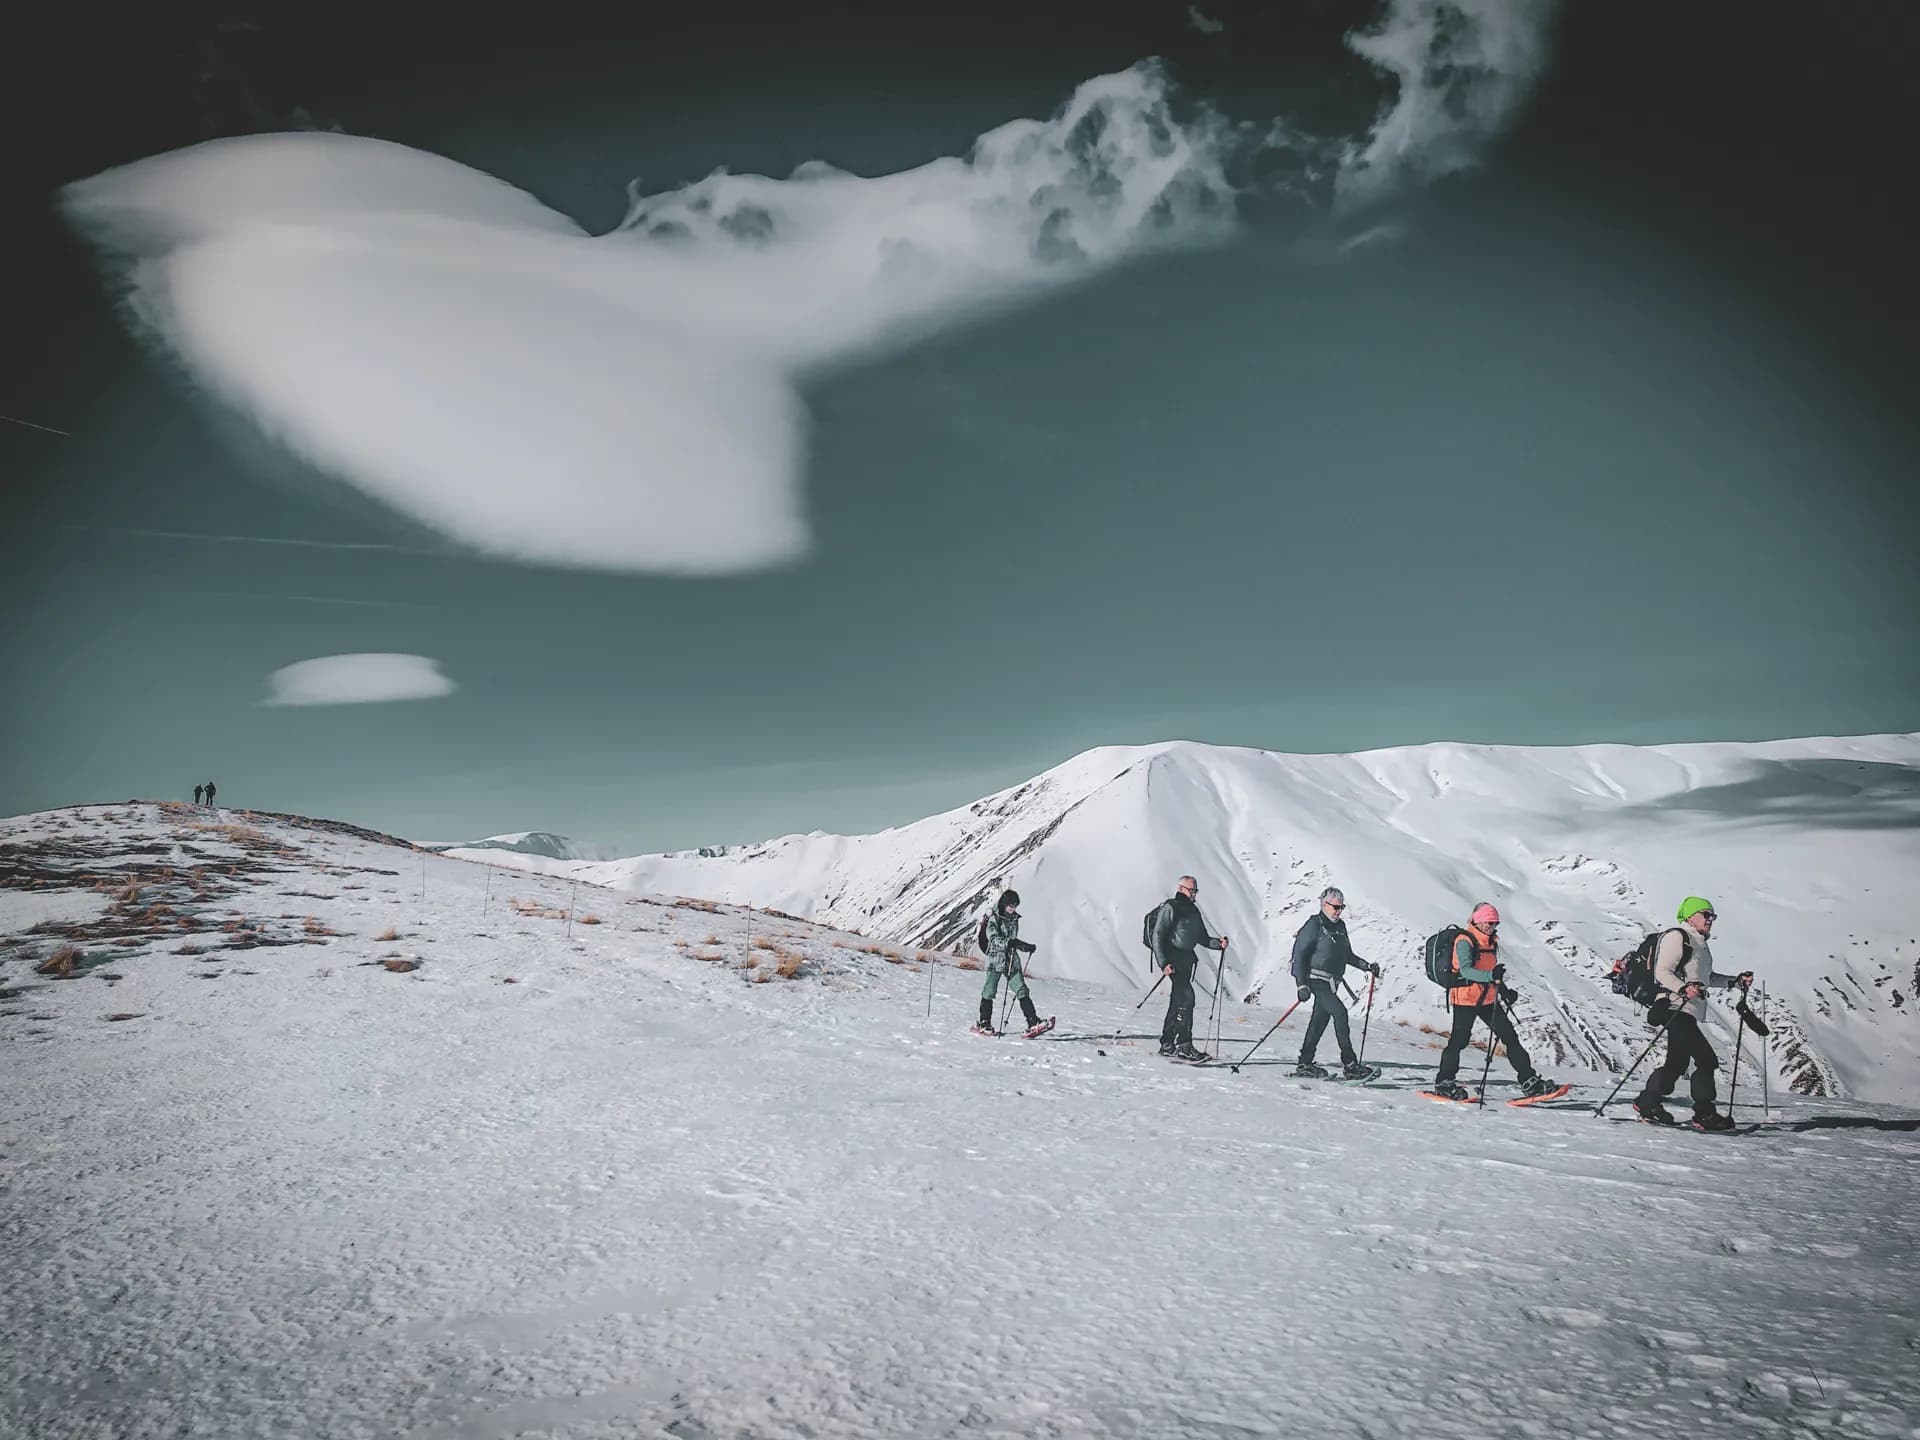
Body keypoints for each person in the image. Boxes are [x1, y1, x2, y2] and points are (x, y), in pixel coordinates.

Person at [1633, 897, 1754, 1132]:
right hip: (1674, 1007)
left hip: (1687, 1009)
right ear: (1690, 916)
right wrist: (1682, 988)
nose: (1710, 920)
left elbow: (1705, 979)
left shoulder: (1698, 943)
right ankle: (1704, 1113)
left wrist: (1734, 982)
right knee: (1706, 1059)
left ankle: (1647, 1103)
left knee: (1676, 1064)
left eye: (1712, 916)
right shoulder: (1678, 936)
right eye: (1705, 914)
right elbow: (1662, 972)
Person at [1430, 902, 1558, 1100]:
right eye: (1489, 923)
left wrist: (1504, 991)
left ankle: (1529, 1080)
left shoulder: (1489, 942)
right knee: (1458, 1041)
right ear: (1478, 921)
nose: (1492, 927)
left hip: (1488, 998)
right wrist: (1491, 976)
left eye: (1495, 924)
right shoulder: (1465, 941)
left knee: (1510, 1038)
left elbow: (1492, 972)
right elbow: (1466, 970)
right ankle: (1444, 1082)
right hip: (1465, 999)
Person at [1290, 886, 1382, 1079]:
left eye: (1342, 907)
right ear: (1324, 905)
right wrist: (1301, 984)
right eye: (1336, 907)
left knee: (1318, 1022)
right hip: (1316, 980)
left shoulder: (1340, 927)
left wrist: (1367, 966)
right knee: (1340, 1013)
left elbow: (1346, 955)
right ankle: (1350, 1064)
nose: (1339, 911)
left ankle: (1305, 1063)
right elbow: (1299, 954)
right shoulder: (1314, 924)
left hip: (1332, 982)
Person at [1149, 874, 1228, 1061]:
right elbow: (1158, 936)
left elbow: (1201, 937)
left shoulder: (1192, 911)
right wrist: (1163, 963)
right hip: (1173, 961)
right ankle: (1184, 1045)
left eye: (1195, 891)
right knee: (1186, 999)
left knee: (1178, 1002)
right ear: (1181, 889)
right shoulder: (1171, 908)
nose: (1194, 894)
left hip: (1186, 961)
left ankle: (1167, 1043)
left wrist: (1218, 944)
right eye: (1192, 890)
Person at [973, 890, 1050, 1037]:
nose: (1013, 908)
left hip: (1010, 959)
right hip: (995, 959)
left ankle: (1033, 1021)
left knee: (1021, 989)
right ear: (1004, 903)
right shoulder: (994, 918)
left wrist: (1022, 945)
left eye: (1015, 905)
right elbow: (994, 939)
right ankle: (985, 1022)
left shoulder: (1014, 918)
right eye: (1011, 905)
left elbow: (1012, 939)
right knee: (989, 990)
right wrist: (1014, 943)